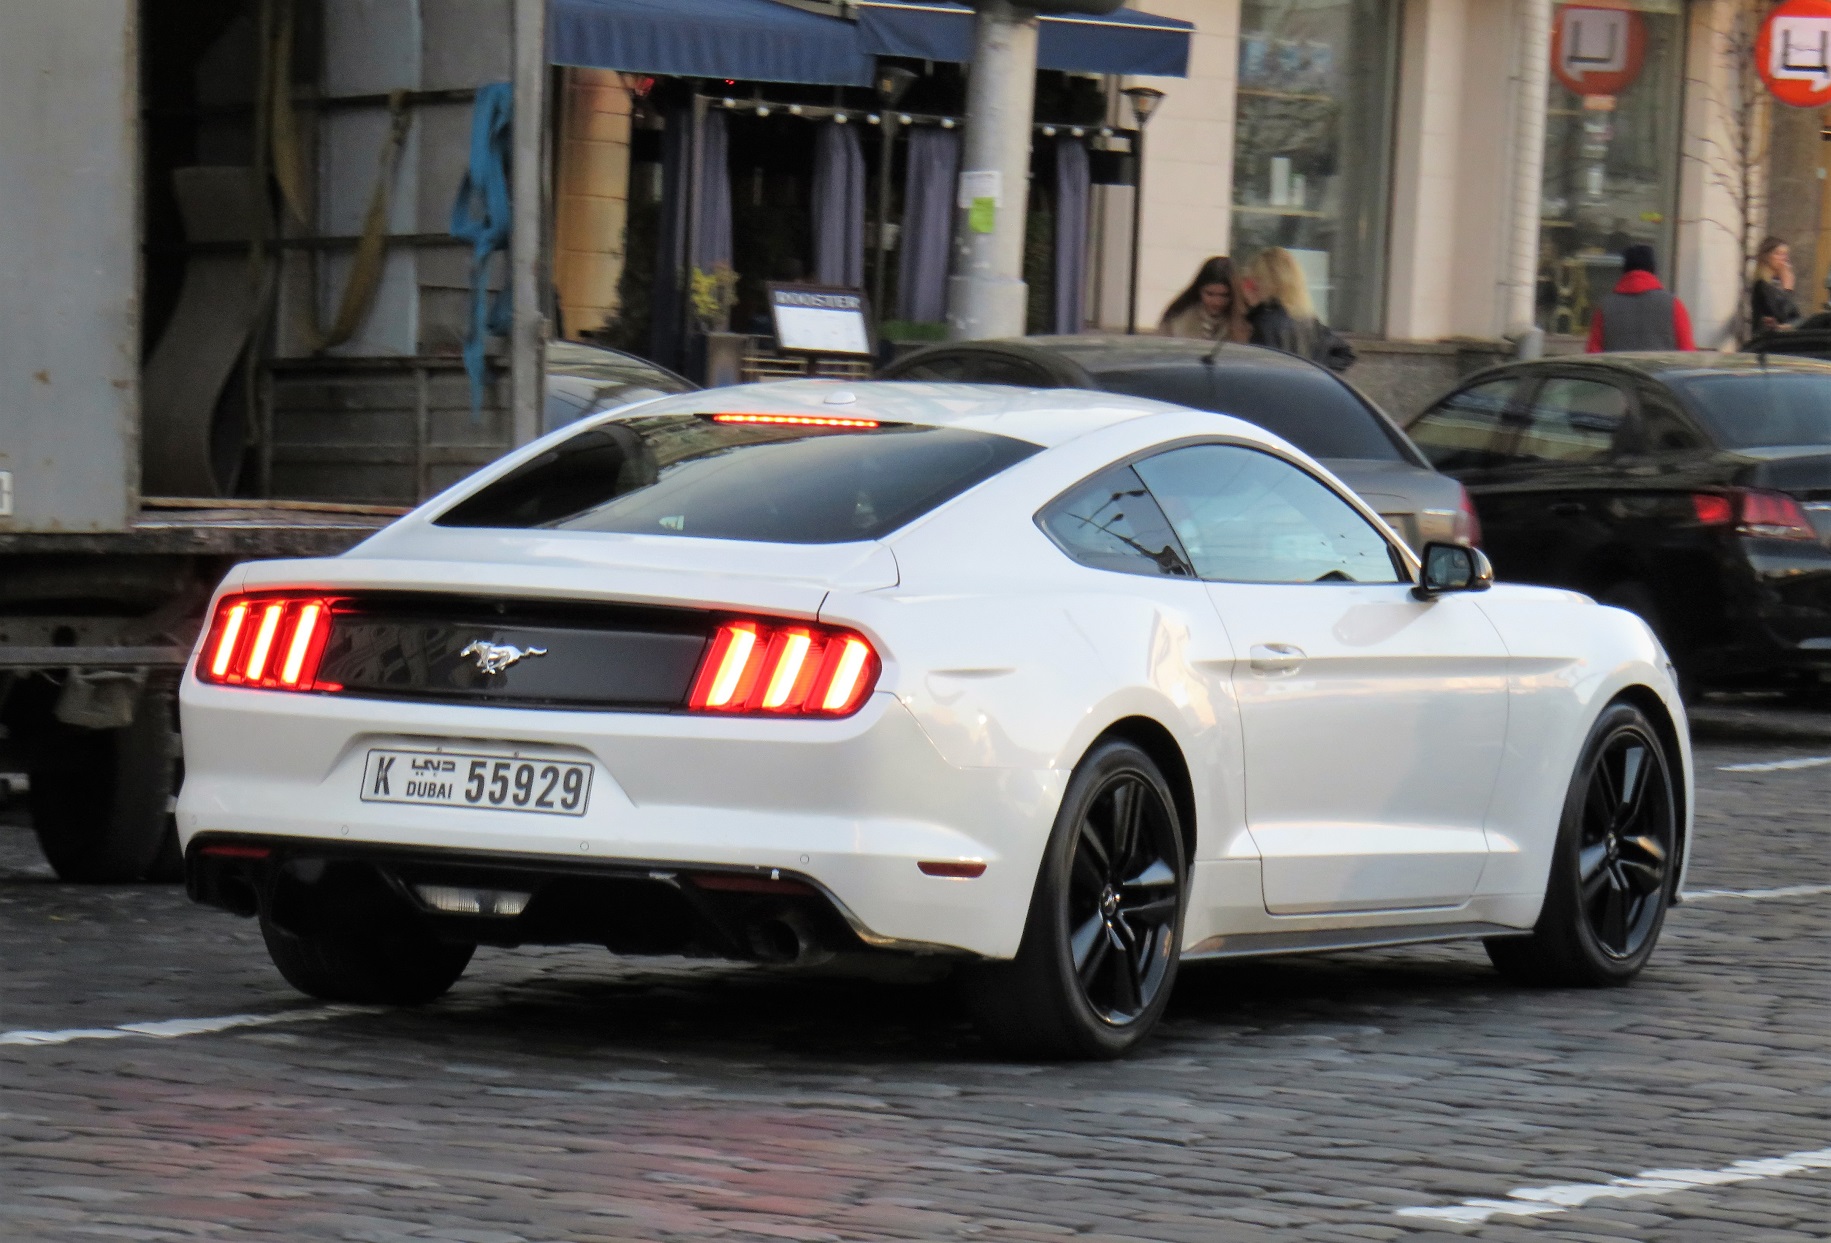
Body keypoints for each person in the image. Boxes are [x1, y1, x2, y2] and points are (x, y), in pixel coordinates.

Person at [1240, 247, 1355, 372]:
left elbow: (1262, 374)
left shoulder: (1263, 323)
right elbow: (1345, 354)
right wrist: (1316, 370)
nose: (1245, 289)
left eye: (1250, 283)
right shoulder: (1309, 321)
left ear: (1263, 284)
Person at [1586, 243, 1695, 352]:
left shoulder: (1605, 308)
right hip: (1660, 369)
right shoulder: (1674, 305)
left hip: (1618, 369)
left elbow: (1593, 355)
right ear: (1653, 269)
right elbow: (1687, 354)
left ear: (1625, 270)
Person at [1157, 256, 1248, 342]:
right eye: (1210, 294)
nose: (1216, 302)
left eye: (1224, 295)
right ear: (1199, 290)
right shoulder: (1177, 319)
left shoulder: (1246, 322)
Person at [1751, 236, 1801, 334]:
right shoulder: (1762, 285)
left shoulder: (1777, 285)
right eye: (1779, 254)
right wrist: (1788, 288)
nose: (1784, 259)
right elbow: (1781, 315)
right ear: (1766, 257)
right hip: (1768, 342)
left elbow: (1795, 316)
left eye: (1786, 254)